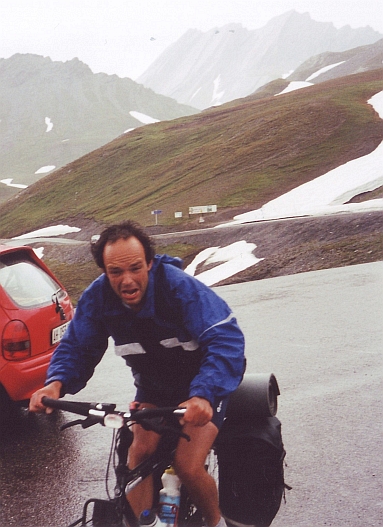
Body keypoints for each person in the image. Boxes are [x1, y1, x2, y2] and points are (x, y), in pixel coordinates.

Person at [29, 220, 245, 527]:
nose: (127, 280)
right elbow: (78, 345)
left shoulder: (177, 287)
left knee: (187, 466)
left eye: (135, 268)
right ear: (104, 271)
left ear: (150, 263)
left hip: (202, 387)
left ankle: (214, 521)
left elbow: (225, 338)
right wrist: (55, 385)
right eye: (116, 272)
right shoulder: (98, 297)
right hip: (154, 390)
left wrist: (204, 394)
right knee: (138, 456)